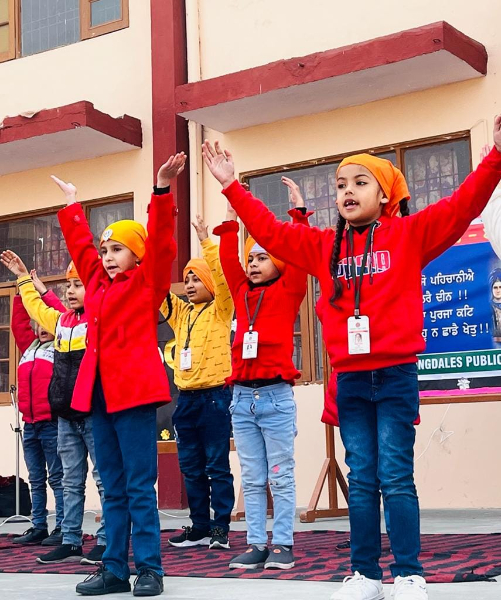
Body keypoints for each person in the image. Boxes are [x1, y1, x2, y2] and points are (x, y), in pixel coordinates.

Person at [201, 116, 501, 600]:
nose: (347, 191)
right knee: (361, 478)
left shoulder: (410, 234)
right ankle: (365, 576)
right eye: (341, 185)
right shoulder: (324, 246)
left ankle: (409, 574)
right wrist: (232, 185)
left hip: (396, 374)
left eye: (360, 183)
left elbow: (462, 205)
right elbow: (272, 233)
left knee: (395, 477)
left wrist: (496, 156)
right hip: (351, 380)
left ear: (384, 195)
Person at [52, 152, 185, 597]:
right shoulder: (95, 284)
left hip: (134, 398)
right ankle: (113, 568)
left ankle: (149, 569)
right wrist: (72, 204)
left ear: (138, 254)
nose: (107, 257)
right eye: (105, 250)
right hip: (98, 398)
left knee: (138, 485)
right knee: (112, 487)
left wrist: (161, 190)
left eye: (118, 249)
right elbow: (80, 248)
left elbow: (163, 241)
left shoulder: (148, 284)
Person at [212, 177, 311, 570]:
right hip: (241, 400)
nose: (252, 264)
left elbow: (301, 254)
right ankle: (256, 544)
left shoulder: (289, 289)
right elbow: (227, 260)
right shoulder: (241, 293)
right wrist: (230, 217)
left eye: (262, 258)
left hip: (275, 399)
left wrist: (298, 213)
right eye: (250, 258)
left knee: (280, 476)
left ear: (279, 264)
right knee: (252, 478)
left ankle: (282, 544)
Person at [1, 252, 107, 565]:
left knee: (103, 481)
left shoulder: (97, 320)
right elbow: (36, 309)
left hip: (93, 414)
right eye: (68, 286)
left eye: (78, 285)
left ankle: (107, 540)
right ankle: (70, 540)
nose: (70, 291)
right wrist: (23, 278)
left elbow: (50, 305)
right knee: (71, 482)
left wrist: (41, 289)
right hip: (65, 417)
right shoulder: (62, 323)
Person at [161, 215, 235, 551]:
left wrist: (206, 241)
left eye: (197, 278)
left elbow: (222, 278)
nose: (190, 284)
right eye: (187, 278)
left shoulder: (221, 308)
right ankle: (200, 526)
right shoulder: (180, 313)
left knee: (217, 466)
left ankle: (221, 527)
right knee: (191, 467)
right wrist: (147, 255)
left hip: (216, 398)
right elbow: (157, 288)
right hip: (186, 399)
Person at [0, 262, 65, 547]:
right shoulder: (29, 347)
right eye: (37, 322)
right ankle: (39, 526)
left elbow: (63, 317)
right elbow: (18, 324)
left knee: (58, 479)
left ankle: (63, 527)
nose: (40, 327)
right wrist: (20, 290)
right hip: (30, 425)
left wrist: (43, 294)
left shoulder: (62, 346)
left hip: (53, 424)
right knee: (36, 479)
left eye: (44, 321)